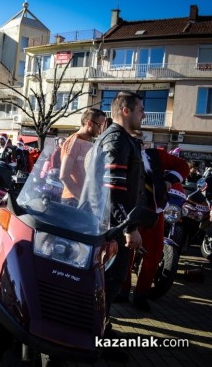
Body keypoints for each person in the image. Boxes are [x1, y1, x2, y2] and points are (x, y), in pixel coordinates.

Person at [79, 91, 146, 361]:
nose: (144, 114)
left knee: (107, 285)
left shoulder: (123, 140)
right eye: (141, 109)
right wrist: (129, 229)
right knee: (105, 284)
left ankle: (102, 330)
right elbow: (113, 191)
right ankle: (95, 338)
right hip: (109, 230)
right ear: (126, 111)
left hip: (109, 228)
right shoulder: (117, 140)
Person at [119, 132, 189, 311]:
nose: (137, 144)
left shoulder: (156, 155)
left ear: (144, 143)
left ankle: (141, 294)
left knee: (154, 254)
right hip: (128, 212)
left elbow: (182, 165)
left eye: (139, 141)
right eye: (133, 140)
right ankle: (123, 290)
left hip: (153, 211)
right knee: (126, 253)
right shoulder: (120, 154)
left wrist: (169, 179)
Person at [59, 108, 106, 206]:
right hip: (72, 200)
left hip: (84, 199)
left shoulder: (87, 142)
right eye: (99, 125)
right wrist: (82, 199)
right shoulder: (73, 142)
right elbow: (64, 175)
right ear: (89, 123)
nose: (101, 129)